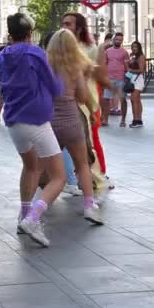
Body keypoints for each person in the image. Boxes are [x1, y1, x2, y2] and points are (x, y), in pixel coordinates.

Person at [0, 13, 66, 247]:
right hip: (36, 120)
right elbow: (55, 87)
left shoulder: (0, 57)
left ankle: (23, 214)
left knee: (31, 166)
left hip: (14, 122)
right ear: (29, 32)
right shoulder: (34, 52)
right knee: (58, 177)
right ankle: (33, 218)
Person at [46, 29, 104, 224]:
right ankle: (89, 206)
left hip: (49, 123)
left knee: (41, 169)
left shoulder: (45, 67)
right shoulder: (75, 68)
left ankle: (30, 210)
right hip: (71, 121)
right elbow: (82, 96)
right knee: (82, 164)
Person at [61, 12, 115, 196]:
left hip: (87, 100)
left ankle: (98, 179)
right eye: (63, 23)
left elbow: (100, 75)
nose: (64, 27)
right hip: (65, 100)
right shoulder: (61, 48)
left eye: (68, 24)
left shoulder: (92, 48)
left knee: (88, 141)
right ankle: (69, 178)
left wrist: (111, 88)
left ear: (79, 27)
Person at [102, 32, 129, 127]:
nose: (118, 41)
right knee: (106, 99)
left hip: (121, 79)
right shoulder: (107, 51)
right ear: (113, 40)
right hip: (109, 79)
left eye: (120, 40)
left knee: (122, 99)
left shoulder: (125, 52)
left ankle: (123, 120)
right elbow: (104, 64)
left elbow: (127, 67)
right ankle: (105, 119)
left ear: (122, 41)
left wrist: (127, 78)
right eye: (116, 39)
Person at [127, 41, 145, 127]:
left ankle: (136, 120)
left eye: (136, 47)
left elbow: (141, 70)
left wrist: (130, 70)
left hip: (138, 79)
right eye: (133, 47)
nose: (134, 48)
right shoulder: (132, 56)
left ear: (139, 48)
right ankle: (139, 119)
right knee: (136, 100)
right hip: (132, 79)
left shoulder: (141, 57)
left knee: (133, 99)